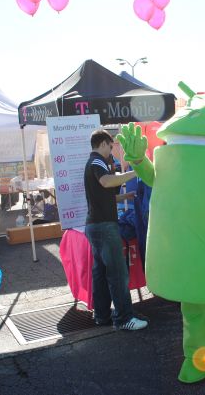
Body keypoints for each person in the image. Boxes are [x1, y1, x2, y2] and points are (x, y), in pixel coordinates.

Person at [83, 129, 148, 331]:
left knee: (101, 273)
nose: (112, 152)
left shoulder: (95, 162)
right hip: (104, 226)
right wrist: (137, 171)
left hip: (95, 225)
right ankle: (124, 318)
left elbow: (103, 193)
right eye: (110, 147)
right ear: (103, 144)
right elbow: (106, 181)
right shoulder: (96, 161)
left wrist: (123, 197)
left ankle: (102, 315)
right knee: (118, 273)